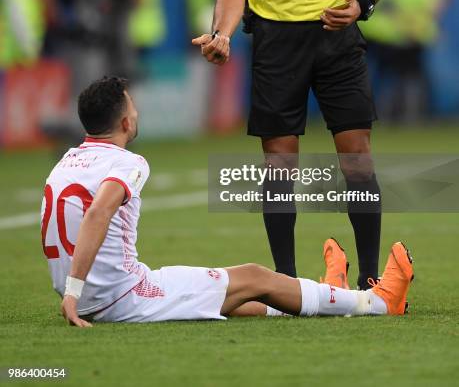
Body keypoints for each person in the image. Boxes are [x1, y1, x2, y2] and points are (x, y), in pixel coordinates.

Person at [192, 0, 393, 289]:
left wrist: (362, 4)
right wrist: (221, 34)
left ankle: (368, 277)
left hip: (336, 41)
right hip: (276, 44)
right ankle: (287, 283)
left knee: (357, 158)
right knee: (279, 165)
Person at [41, 76, 413, 327]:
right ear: (125, 122)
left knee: (238, 294)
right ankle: (377, 302)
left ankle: (335, 295)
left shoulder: (67, 161)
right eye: (132, 106)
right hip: (118, 296)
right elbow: (98, 213)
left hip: (96, 295)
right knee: (253, 274)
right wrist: (73, 294)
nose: (136, 111)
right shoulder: (127, 162)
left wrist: (74, 292)